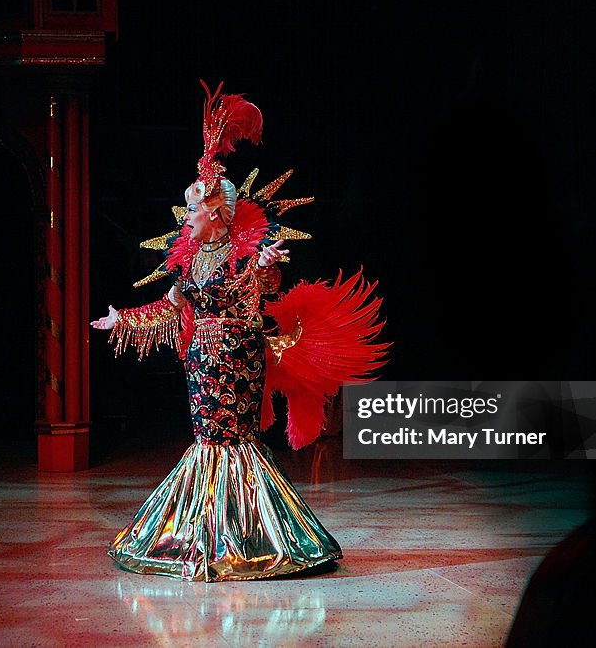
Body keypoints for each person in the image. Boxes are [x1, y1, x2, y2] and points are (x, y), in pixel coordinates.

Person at [91, 81, 387, 582]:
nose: (187, 217)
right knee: (206, 440)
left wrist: (266, 264)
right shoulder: (189, 262)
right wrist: (123, 318)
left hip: (239, 356)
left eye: (194, 209)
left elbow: (262, 285)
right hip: (201, 363)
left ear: (217, 214)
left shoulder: (240, 253)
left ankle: (251, 536)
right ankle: (203, 534)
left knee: (235, 441)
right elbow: (169, 309)